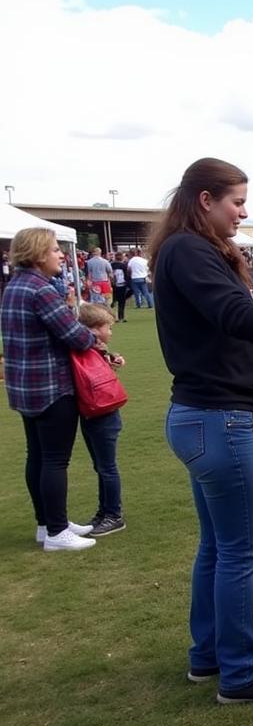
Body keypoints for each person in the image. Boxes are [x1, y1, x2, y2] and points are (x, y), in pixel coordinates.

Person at [151, 156, 253, 704]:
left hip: (207, 419)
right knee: (240, 548)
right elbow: (234, 317)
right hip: (216, 420)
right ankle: (240, 673)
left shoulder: (204, 251)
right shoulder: (189, 251)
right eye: (237, 201)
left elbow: (248, 338)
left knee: (218, 546)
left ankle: (210, 655)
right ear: (205, 201)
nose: (244, 211)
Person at [1, 227, 98, 551]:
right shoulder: (41, 290)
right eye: (55, 249)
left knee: (38, 456)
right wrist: (91, 337)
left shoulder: (14, 286)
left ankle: (47, 523)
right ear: (39, 253)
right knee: (55, 460)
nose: (60, 254)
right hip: (51, 387)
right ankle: (57, 531)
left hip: (24, 387)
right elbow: (76, 335)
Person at [76, 303, 127, 536]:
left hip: (103, 413)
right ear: (95, 329)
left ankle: (113, 514)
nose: (111, 332)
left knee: (106, 467)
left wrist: (111, 356)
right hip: (94, 412)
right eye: (108, 327)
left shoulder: (92, 348)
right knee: (101, 466)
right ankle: (104, 511)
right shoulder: (91, 347)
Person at [111, 251, 131, 322]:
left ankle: (113, 317)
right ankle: (121, 317)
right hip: (122, 284)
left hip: (113, 285)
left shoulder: (111, 265)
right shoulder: (124, 265)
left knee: (113, 301)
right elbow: (127, 275)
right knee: (121, 302)